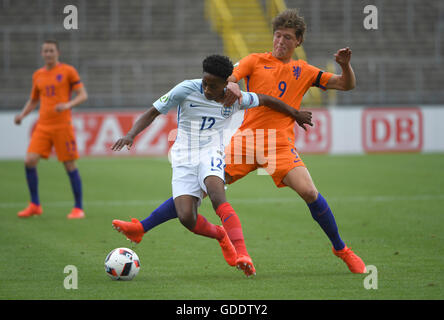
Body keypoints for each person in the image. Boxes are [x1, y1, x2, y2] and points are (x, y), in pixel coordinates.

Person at [111, 8, 367, 274]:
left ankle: (342, 250)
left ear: (298, 41)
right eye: (277, 36)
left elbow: (345, 85)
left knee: (310, 192)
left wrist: (345, 65)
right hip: (245, 141)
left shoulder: (305, 71)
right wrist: (233, 84)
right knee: (199, 190)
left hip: (278, 145)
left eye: (288, 38)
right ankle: (142, 227)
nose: (280, 41)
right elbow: (228, 78)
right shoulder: (254, 60)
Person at [111, 54, 313, 277]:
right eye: (205, 82)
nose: (207, 89)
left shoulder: (235, 99)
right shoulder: (186, 89)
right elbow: (152, 112)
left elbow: (266, 100)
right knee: (187, 217)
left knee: (217, 196)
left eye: (213, 85)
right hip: (183, 157)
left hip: (211, 153)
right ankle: (220, 235)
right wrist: (131, 135)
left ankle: (243, 254)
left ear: (227, 83)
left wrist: (295, 113)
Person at [14, 40, 88, 219]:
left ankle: (78, 208)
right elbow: (33, 100)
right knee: (29, 161)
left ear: (58, 53)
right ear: (42, 54)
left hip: (63, 126)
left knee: (69, 164)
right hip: (43, 126)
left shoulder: (68, 71)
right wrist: (22, 115)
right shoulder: (38, 75)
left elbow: (83, 95)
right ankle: (34, 205)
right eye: (45, 51)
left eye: (51, 51)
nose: (48, 54)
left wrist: (67, 104)